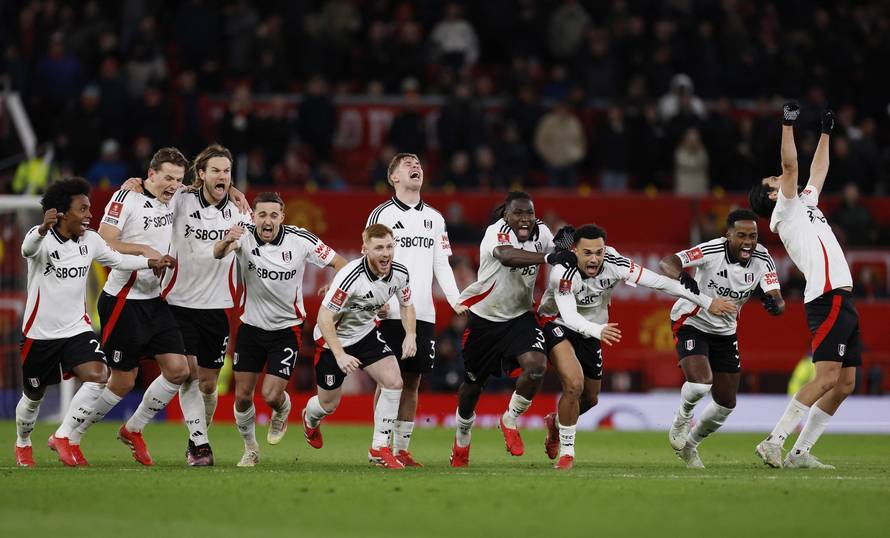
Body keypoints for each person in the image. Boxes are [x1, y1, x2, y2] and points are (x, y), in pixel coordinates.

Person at [537, 224, 735, 470]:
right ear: (575, 251)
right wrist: (598, 330)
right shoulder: (561, 273)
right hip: (558, 323)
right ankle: (568, 453)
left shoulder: (615, 262)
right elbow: (570, 316)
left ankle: (556, 424)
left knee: (590, 398)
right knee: (574, 385)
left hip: (592, 331)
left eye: (599, 252)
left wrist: (706, 302)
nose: (594, 259)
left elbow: (659, 282)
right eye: (587, 253)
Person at [16, 178, 172, 467]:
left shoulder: (91, 241)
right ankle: (23, 442)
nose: (90, 215)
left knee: (99, 375)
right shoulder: (41, 239)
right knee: (34, 396)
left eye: (89, 208)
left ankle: (63, 435)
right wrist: (41, 229)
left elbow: (116, 260)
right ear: (62, 213)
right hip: (40, 333)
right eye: (83, 209)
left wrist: (149, 262)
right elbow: (27, 249)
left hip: (77, 328)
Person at [53, 149, 193, 467]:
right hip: (123, 300)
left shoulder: (177, 196)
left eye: (178, 179)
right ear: (151, 174)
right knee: (121, 381)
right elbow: (104, 240)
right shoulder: (126, 197)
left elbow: (210, 186)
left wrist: (235, 192)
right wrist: (143, 249)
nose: (174, 185)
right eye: (168, 178)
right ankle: (68, 435)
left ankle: (133, 428)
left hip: (155, 300)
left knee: (178, 370)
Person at [749, 105, 860, 469]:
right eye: (774, 179)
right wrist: (787, 125)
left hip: (842, 296)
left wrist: (826, 133)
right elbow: (792, 166)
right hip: (826, 297)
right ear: (772, 196)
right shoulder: (784, 210)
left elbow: (818, 170)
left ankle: (800, 453)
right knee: (826, 378)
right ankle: (773, 441)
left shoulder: (804, 203)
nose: (780, 177)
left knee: (845, 384)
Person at [214, 192, 345, 467]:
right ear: (254, 217)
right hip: (250, 327)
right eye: (262, 215)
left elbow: (340, 263)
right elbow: (217, 253)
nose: (268, 221)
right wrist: (227, 239)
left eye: (274, 215)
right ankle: (250, 448)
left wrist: (334, 286)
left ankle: (282, 408)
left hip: (287, 329)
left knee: (271, 395)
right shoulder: (243, 234)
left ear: (282, 217)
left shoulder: (301, 239)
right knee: (242, 396)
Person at [449, 191, 576, 467]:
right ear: (506, 214)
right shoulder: (495, 232)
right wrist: (548, 257)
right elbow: (506, 256)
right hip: (484, 319)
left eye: (529, 213)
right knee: (472, 386)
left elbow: (559, 252)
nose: (524, 218)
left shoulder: (541, 232)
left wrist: (566, 246)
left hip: (520, 316)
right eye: (518, 213)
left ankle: (509, 418)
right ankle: (462, 436)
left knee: (537, 367)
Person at [661, 209, 784, 468]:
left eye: (753, 236)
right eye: (741, 235)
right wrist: (682, 276)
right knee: (700, 384)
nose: (748, 242)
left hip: (726, 332)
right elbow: (668, 262)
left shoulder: (763, 258)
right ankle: (682, 419)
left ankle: (690, 447)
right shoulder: (712, 250)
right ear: (728, 235)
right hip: (692, 322)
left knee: (726, 403)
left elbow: (776, 296)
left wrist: (775, 304)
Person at [365, 153, 466, 467]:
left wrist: (455, 299)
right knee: (388, 380)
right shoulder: (381, 214)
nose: (415, 167)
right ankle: (378, 446)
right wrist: (376, 299)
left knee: (412, 381)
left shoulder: (435, 218)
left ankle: (401, 449)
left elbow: (442, 264)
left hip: (422, 312)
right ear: (393, 177)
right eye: (407, 164)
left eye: (418, 164)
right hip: (390, 310)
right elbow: (369, 258)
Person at [160, 144, 252, 466]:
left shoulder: (240, 211)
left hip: (217, 305)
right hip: (178, 300)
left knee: (209, 384)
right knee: (188, 374)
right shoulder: (180, 199)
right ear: (200, 174)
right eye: (215, 170)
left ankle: (195, 437)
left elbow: (249, 248)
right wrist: (135, 185)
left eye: (226, 171)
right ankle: (200, 445)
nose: (222, 176)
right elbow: (156, 192)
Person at [302, 224, 415, 469]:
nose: (386, 254)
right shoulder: (351, 276)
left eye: (389, 247)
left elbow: (407, 305)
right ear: (365, 250)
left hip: (365, 334)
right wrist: (340, 354)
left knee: (394, 382)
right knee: (328, 405)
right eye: (379, 248)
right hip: (332, 340)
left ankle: (379, 447)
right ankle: (310, 418)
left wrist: (411, 334)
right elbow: (324, 317)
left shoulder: (400, 273)